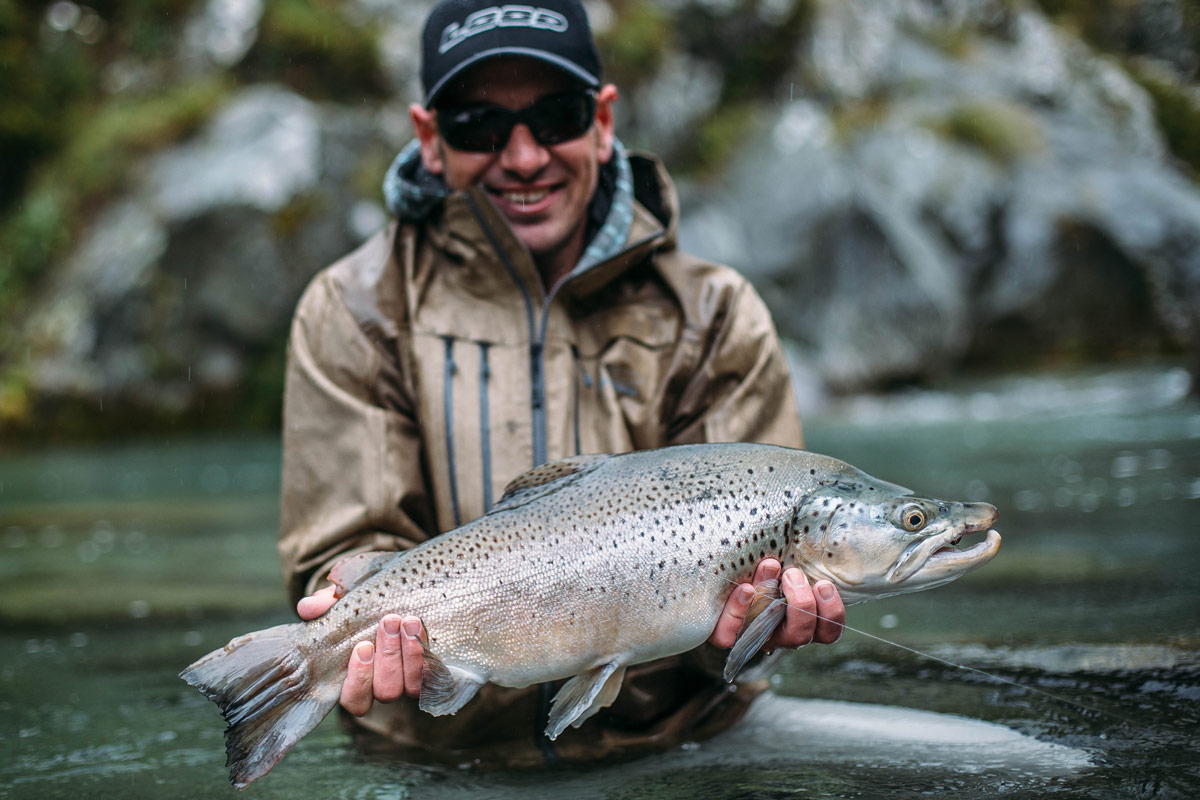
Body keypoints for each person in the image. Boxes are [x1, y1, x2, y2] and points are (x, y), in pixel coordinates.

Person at [278, 0, 844, 767]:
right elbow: (343, 547)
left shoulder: (713, 311)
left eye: (556, 116)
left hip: (679, 743)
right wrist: (352, 591)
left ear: (603, 121)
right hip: (438, 761)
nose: (522, 156)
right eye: (480, 125)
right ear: (429, 138)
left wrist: (753, 630)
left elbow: (751, 583)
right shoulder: (350, 310)